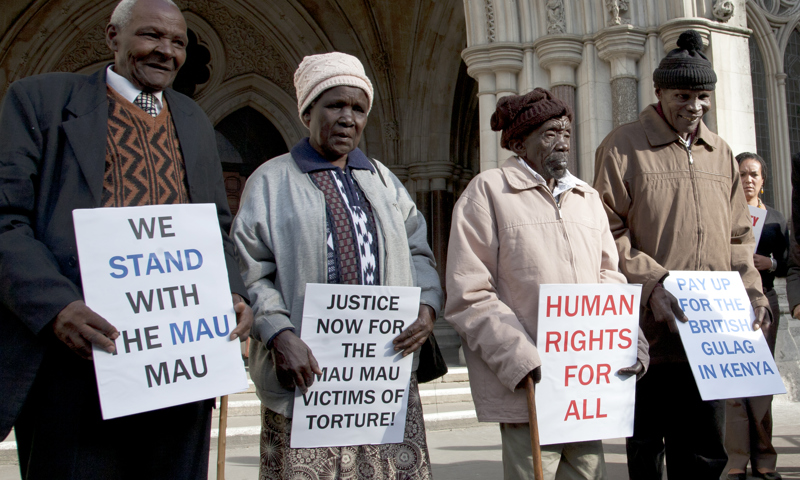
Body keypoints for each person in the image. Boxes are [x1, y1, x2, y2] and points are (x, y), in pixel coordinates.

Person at [0, 0, 254, 478]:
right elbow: (5, 220)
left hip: (178, 373)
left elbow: (215, 226)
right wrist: (57, 307)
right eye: (150, 36)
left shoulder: (194, 121)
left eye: (178, 42)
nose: (166, 51)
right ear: (112, 37)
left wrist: (232, 290)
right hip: (78, 368)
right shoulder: (40, 102)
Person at [231, 51, 443, 480]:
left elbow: (419, 251)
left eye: (358, 108)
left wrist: (426, 307)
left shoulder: (383, 180)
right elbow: (252, 268)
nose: (348, 118)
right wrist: (279, 333)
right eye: (335, 105)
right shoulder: (271, 182)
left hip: (381, 373)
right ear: (308, 111)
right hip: (305, 371)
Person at [593, 30, 771, 480]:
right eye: (683, 95)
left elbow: (737, 238)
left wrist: (754, 295)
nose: (694, 106)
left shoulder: (722, 154)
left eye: (702, 96)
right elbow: (605, 232)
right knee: (648, 451)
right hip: (648, 335)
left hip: (711, 339)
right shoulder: (622, 147)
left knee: (705, 454)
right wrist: (652, 284)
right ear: (658, 93)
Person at [444, 88, 649, 480]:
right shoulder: (488, 192)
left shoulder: (587, 198)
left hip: (585, 386)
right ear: (520, 142)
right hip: (531, 387)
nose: (563, 144)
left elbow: (611, 280)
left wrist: (628, 342)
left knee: (589, 474)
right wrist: (519, 360)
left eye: (567, 133)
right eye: (550, 134)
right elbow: (469, 293)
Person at [725, 152, 787, 480]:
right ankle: (736, 459)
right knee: (735, 387)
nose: (748, 179)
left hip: (766, 304)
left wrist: (771, 264)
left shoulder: (776, 218)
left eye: (754, 174)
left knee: (762, 383)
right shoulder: (723, 214)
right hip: (731, 304)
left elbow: (790, 262)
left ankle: (765, 459)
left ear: (763, 181)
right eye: (743, 174)